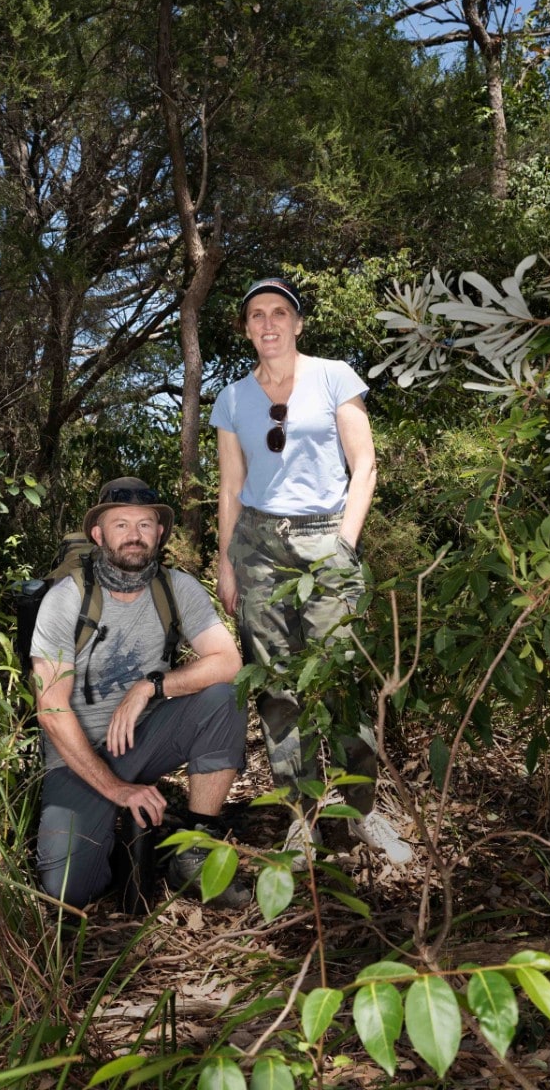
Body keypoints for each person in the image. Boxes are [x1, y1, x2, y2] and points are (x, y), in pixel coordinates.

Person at [210, 276, 411, 866]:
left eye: (278, 313)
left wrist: (344, 545)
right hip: (259, 546)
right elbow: (229, 487)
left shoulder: (334, 376)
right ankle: (302, 820)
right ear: (246, 328)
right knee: (276, 689)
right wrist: (226, 561)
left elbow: (365, 463)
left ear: (297, 323)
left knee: (343, 679)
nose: (267, 323)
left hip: (327, 536)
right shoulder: (232, 398)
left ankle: (363, 813)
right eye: (255, 315)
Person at [30, 476, 250, 910]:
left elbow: (228, 661)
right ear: (98, 534)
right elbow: (52, 710)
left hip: (143, 738)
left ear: (160, 532)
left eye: (145, 525)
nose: (134, 535)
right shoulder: (66, 598)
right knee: (70, 891)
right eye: (121, 525)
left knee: (225, 696)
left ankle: (194, 845)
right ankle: (111, 838)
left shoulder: (175, 587)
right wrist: (117, 791)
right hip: (77, 757)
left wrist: (150, 686)